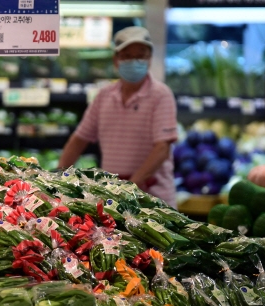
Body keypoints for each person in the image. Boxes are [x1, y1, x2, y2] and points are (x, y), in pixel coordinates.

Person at [58, 26, 178, 208]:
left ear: (149, 59)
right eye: (127, 56)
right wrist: (58, 176)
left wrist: (129, 188)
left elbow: (162, 148)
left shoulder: (161, 95)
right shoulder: (104, 95)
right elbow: (79, 139)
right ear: (116, 60)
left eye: (140, 55)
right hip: (114, 201)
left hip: (154, 201)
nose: (134, 61)